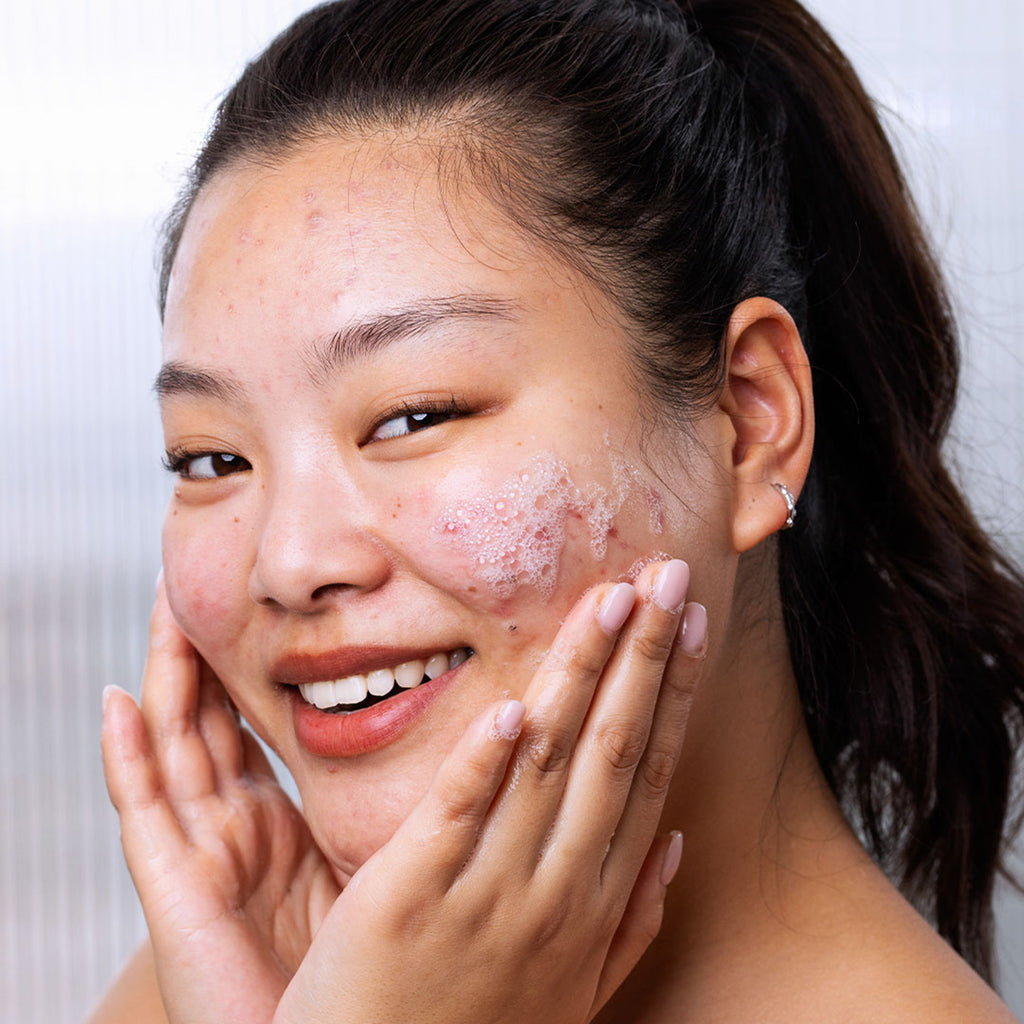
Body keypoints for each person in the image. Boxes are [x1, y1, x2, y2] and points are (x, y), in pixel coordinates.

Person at [92, 0, 1024, 1020]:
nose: (287, 561)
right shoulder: (229, 980)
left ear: (748, 423)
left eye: (413, 415)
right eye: (212, 455)